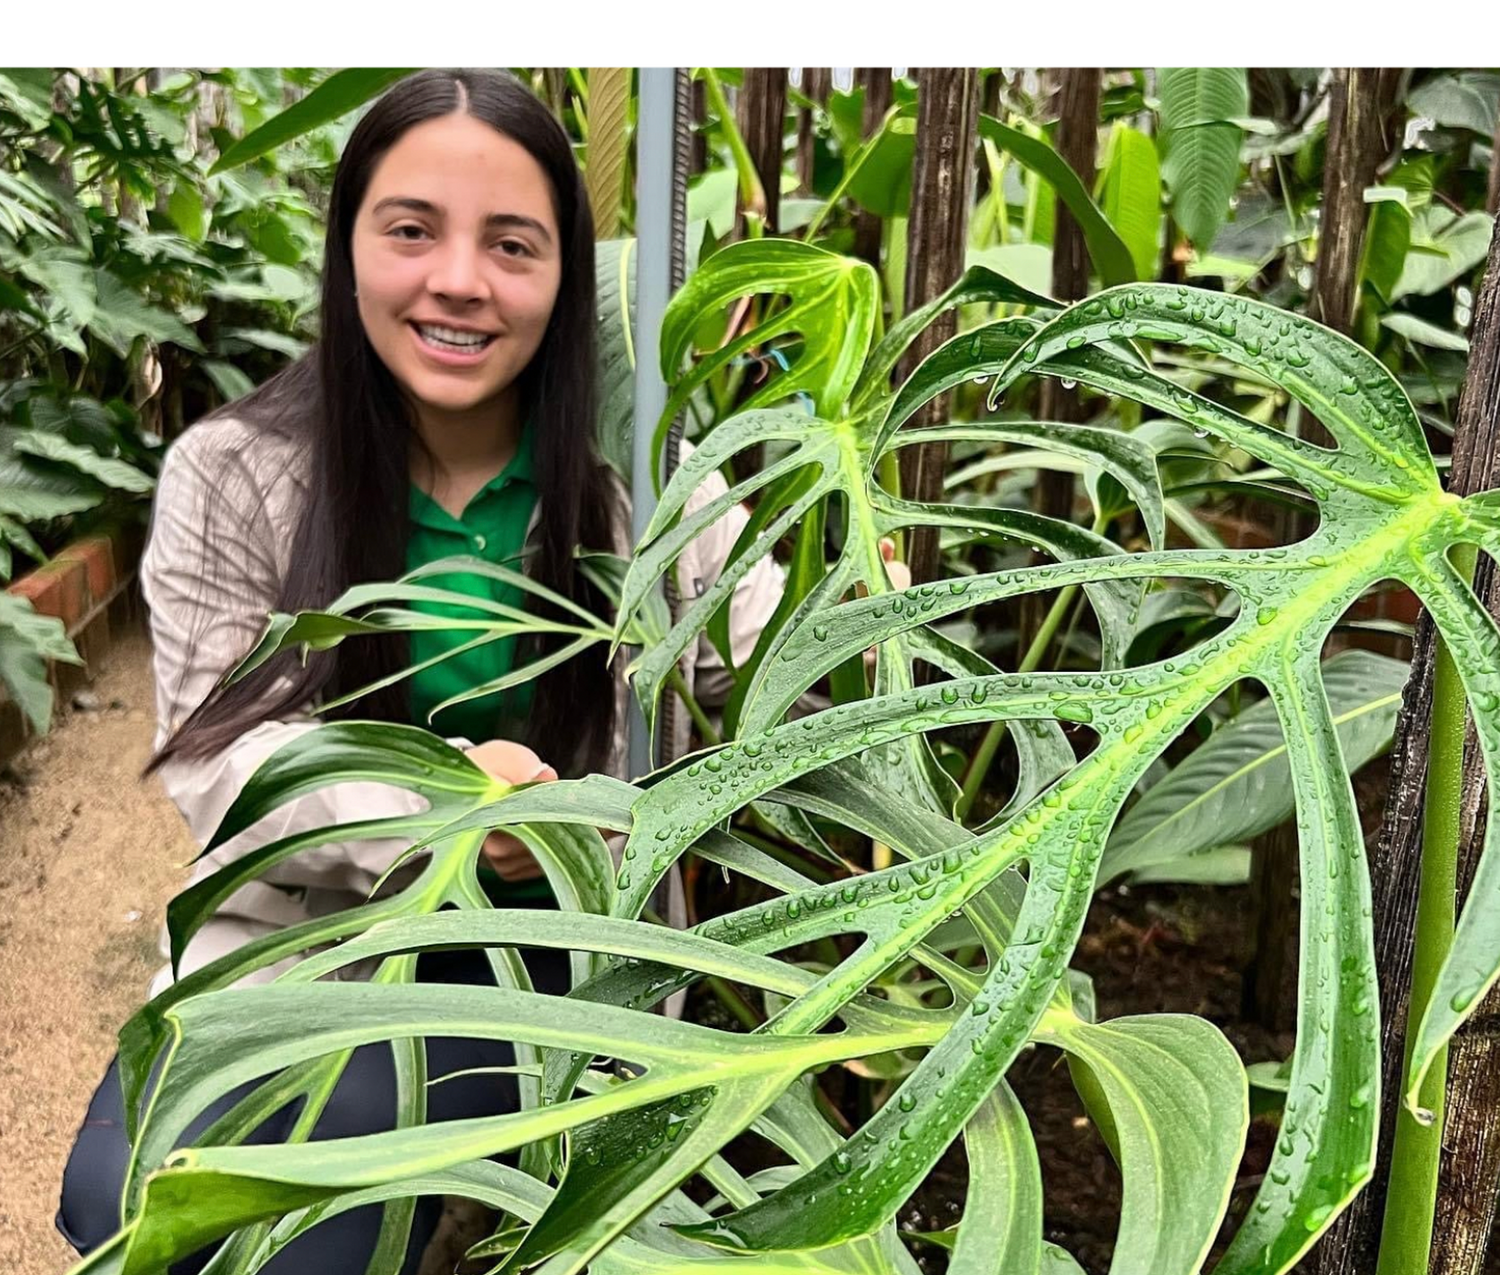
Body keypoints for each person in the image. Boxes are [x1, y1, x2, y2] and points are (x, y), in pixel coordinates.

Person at [56, 68, 783, 1274]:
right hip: (319, 940)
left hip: (565, 958)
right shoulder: (232, 476)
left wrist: (849, 611)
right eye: (411, 231)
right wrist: (445, 807)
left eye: (513, 245)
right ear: (347, 252)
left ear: (566, 280)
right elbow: (222, 763)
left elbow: (775, 682)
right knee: (146, 1210)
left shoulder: (652, 489)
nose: (459, 280)